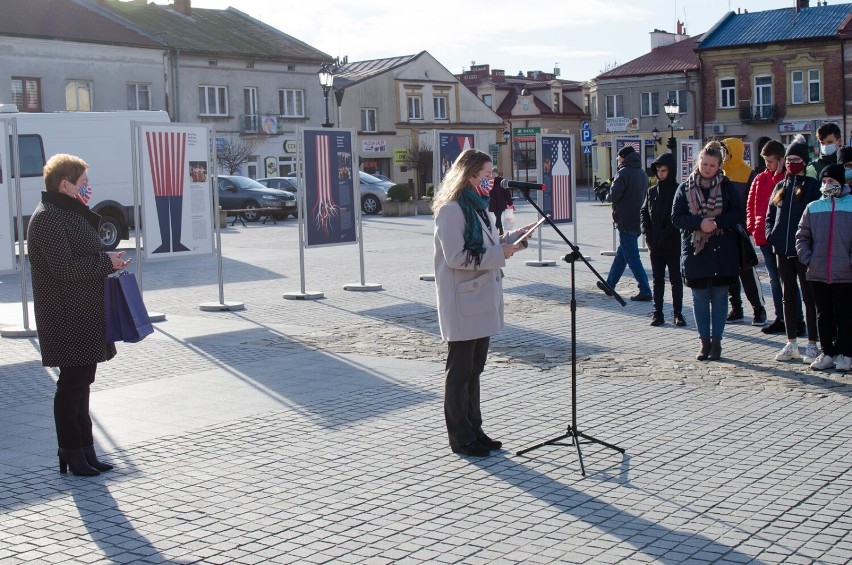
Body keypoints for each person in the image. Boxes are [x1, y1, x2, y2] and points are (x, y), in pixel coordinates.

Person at [27, 154, 130, 476]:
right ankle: (70, 452)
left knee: (83, 381)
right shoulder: (47, 217)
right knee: (71, 384)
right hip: (65, 314)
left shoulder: (69, 213)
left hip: (84, 310)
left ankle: (85, 449)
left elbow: (86, 253)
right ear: (64, 184)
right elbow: (64, 269)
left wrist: (109, 258)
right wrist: (106, 263)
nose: (88, 188)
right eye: (83, 183)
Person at [432, 149, 535, 457]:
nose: (491, 181)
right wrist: (499, 254)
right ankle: (460, 437)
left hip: (480, 299)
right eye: (487, 175)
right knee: (460, 371)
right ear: (469, 175)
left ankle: (475, 429)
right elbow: (457, 257)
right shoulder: (451, 209)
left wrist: (513, 240)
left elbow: (488, 245)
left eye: (492, 175)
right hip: (463, 303)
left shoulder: (479, 207)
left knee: (475, 369)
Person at [672, 142, 743, 361]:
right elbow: (676, 217)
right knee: (700, 297)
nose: (708, 168)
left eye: (712, 165)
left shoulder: (726, 186)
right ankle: (704, 342)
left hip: (723, 249)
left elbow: (739, 213)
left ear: (720, 165)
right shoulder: (685, 187)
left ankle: (717, 343)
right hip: (696, 250)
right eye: (704, 164)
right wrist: (699, 223)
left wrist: (717, 222)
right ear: (698, 163)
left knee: (720, 297)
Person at [766, 139, 821, 364]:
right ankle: (791, 342)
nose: (791, 164)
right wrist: (772, 235)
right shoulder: (780, 186)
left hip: (803, 251)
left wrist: (810, 245)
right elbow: (770, 215)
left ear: (804, 162)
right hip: (782, 249)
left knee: (809, 297)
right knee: (788, 296)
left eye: (796, 160)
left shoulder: (812, 186)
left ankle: (812, 344)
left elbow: (816, 219)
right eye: (788, 160)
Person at [796, 164, 852, 371]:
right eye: (825, 181)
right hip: (818, 272)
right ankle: (827, 353)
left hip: (845, 272)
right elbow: (802, 236)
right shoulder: (813, 207)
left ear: (842, 183)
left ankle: (846, 354)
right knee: (823, 315)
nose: (828, 185)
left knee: (845, 314)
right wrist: (808, 259)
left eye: (832, 181)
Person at [747, 140, 805, 336]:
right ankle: (780, 317)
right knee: (774, 280)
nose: (767, 165)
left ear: (780, 160)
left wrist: (778, 173)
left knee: (787, 281)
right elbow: (751, 205)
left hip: (781, 240)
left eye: (771, 161)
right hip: (764, 237)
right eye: (765, 161)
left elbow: (779, 197)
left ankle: (797, 320)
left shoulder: (785, 180)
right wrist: (753, 227)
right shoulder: (759, 179)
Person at [721, 138, 766, 326]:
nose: (722, 155)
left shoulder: (749, 174)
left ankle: (759, 309)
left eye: (725, 151)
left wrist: (749, 228)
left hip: (740, 231)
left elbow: (752, 203)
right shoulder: (719, 172)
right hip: (722, 230)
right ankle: (736, 309)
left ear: (734, 152)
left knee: (747, 272)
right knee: (729, 273)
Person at [600, 145, 652, 301]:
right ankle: (610, 285)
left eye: (618, 157)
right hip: (637, 220)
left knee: (632, 257)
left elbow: (613, 196)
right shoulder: (642, 173)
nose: (617, 160)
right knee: (622, 255)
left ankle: (645, 289)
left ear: (623, 157)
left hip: (625, 220)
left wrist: (605, 194)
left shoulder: (623, 173)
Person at [640, 152, 684, 327]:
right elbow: (644, 212)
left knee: (675, 279)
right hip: (655, 243)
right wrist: (647, 233)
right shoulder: (652, 191)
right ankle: (657, 313)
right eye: (658, 171)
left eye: (664, 170)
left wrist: (668, 232)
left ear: (670, 171)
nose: (661, 174)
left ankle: (678, 313)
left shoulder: (678, 190)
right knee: (657, 279)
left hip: (672, 243)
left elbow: (680, 216)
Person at [487, 166, 513, 235]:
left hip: (501, 203)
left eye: (495, 173)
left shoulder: (502, 182)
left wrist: (510, 204)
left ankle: (494, 232)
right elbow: (487, 192)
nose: (493, 175)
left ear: (497, 174)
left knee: (498, 217)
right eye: (492, 173)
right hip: (493, 203)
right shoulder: (490, 182)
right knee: (498, 217)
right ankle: (501, 231)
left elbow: (507, 194)